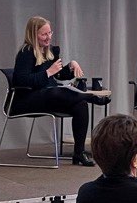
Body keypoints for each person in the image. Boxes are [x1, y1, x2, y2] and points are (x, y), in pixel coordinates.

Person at [11, 15, 110, 166]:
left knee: (80, 105)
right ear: (33, 34)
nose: (48, 37)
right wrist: (48, 73)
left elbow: (60, 75)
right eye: (44, 34)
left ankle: (79, 153)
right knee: (55, 91)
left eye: (49, 33)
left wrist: (71, 66)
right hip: (26, 99)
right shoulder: (26, 53)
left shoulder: (49, 51)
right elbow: (21, 81)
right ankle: (91, 96)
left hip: (48, 97)